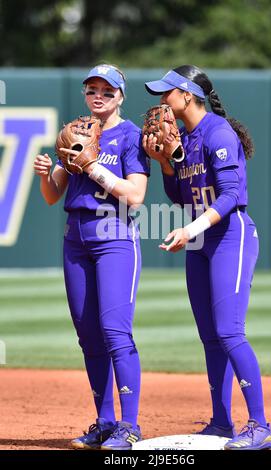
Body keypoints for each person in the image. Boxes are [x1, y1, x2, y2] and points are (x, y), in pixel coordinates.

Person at [143, 65, 271, 451]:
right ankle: (221, 422)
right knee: (210, 337)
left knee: (229, 331)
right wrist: (167, 163)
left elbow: (231, 194)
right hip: (202, 241)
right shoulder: (184, 137)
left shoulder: (218, 131)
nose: (161, 103)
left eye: (166, 94)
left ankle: (260, 426)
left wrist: (190, 230)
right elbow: (180, 196)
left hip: (230, 236)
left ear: (187, 95)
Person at [34, 64, 150, 450]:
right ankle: (104, 421)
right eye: (92, 89)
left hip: (114, 237)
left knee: (115, 330)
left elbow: (135, 196)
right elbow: (53, 195)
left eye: (107, 90)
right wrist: (46, 173)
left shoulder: (132, 135)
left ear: (120, 96)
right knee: (88, 335)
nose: (98, 95)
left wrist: (93, 166)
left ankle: (129, 426)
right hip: (76, 239)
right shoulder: (76, 131)